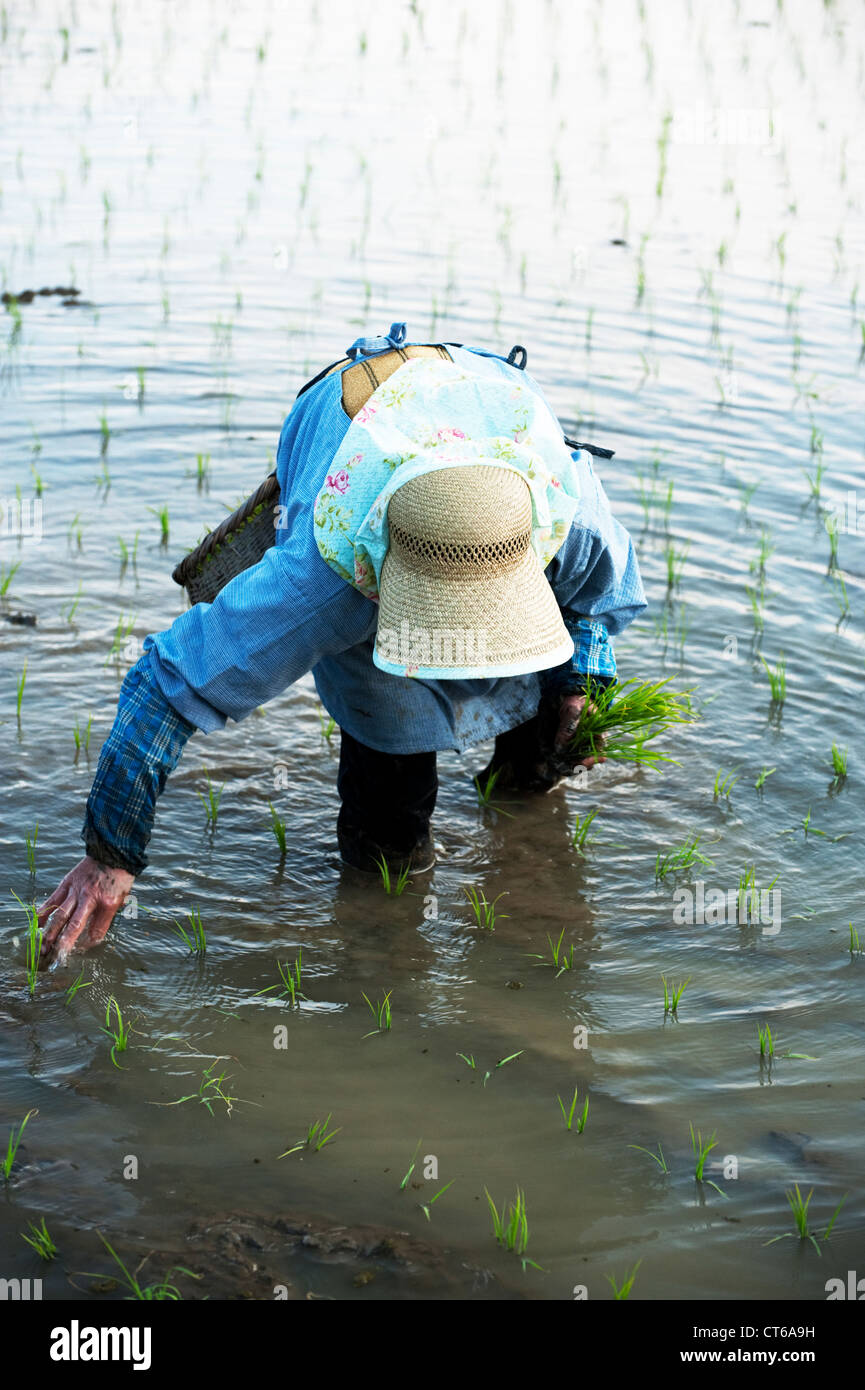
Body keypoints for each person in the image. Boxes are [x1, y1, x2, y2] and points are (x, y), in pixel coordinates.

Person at [37, 322, 646, 962]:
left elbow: (590, 602)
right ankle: (381, 953)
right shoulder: (323, 584)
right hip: (346, 435)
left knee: (546, 743)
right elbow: (163, 683)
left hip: (484, 409)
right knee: (387, 837)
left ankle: (522, 844)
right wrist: (109, 854)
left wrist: (583, 687)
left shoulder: (564, 518)